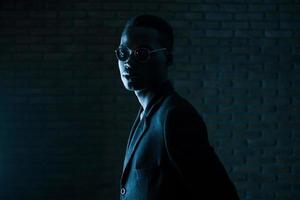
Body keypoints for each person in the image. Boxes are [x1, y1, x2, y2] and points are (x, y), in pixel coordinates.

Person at [115, 14, 240, 200]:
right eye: (123, 53)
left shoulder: (175, 117)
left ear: (167, 59)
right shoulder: (144, 115)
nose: (129, 62)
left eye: (142, 53)